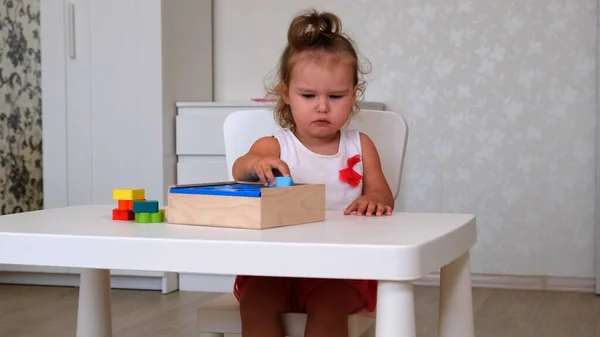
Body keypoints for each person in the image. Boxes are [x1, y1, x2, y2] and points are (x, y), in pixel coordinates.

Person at [230, 8, 394, 337]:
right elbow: (240, 168)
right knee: (257, 304)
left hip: (341, 268)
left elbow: (383, 194)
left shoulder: (360, 146)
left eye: (336, 96)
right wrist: (255, 165)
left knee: (328, 310)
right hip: (274, 265)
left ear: (354, 94)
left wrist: (373, 199)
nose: (322, 106)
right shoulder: (275, 146)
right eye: (308, 95)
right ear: (286, 93)